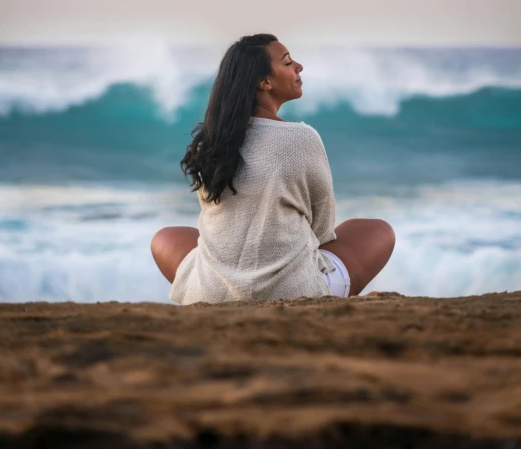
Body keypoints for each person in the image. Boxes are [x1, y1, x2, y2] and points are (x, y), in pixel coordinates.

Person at [151, 33, 395, 304]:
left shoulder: (210, 141)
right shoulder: (301, 138)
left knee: (166, 237)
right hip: (294, 292)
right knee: (377, 230)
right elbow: (322, 233)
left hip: (212, 293)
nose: (299, 67)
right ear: (264, 82)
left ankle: (210, 288)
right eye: (288, 62)